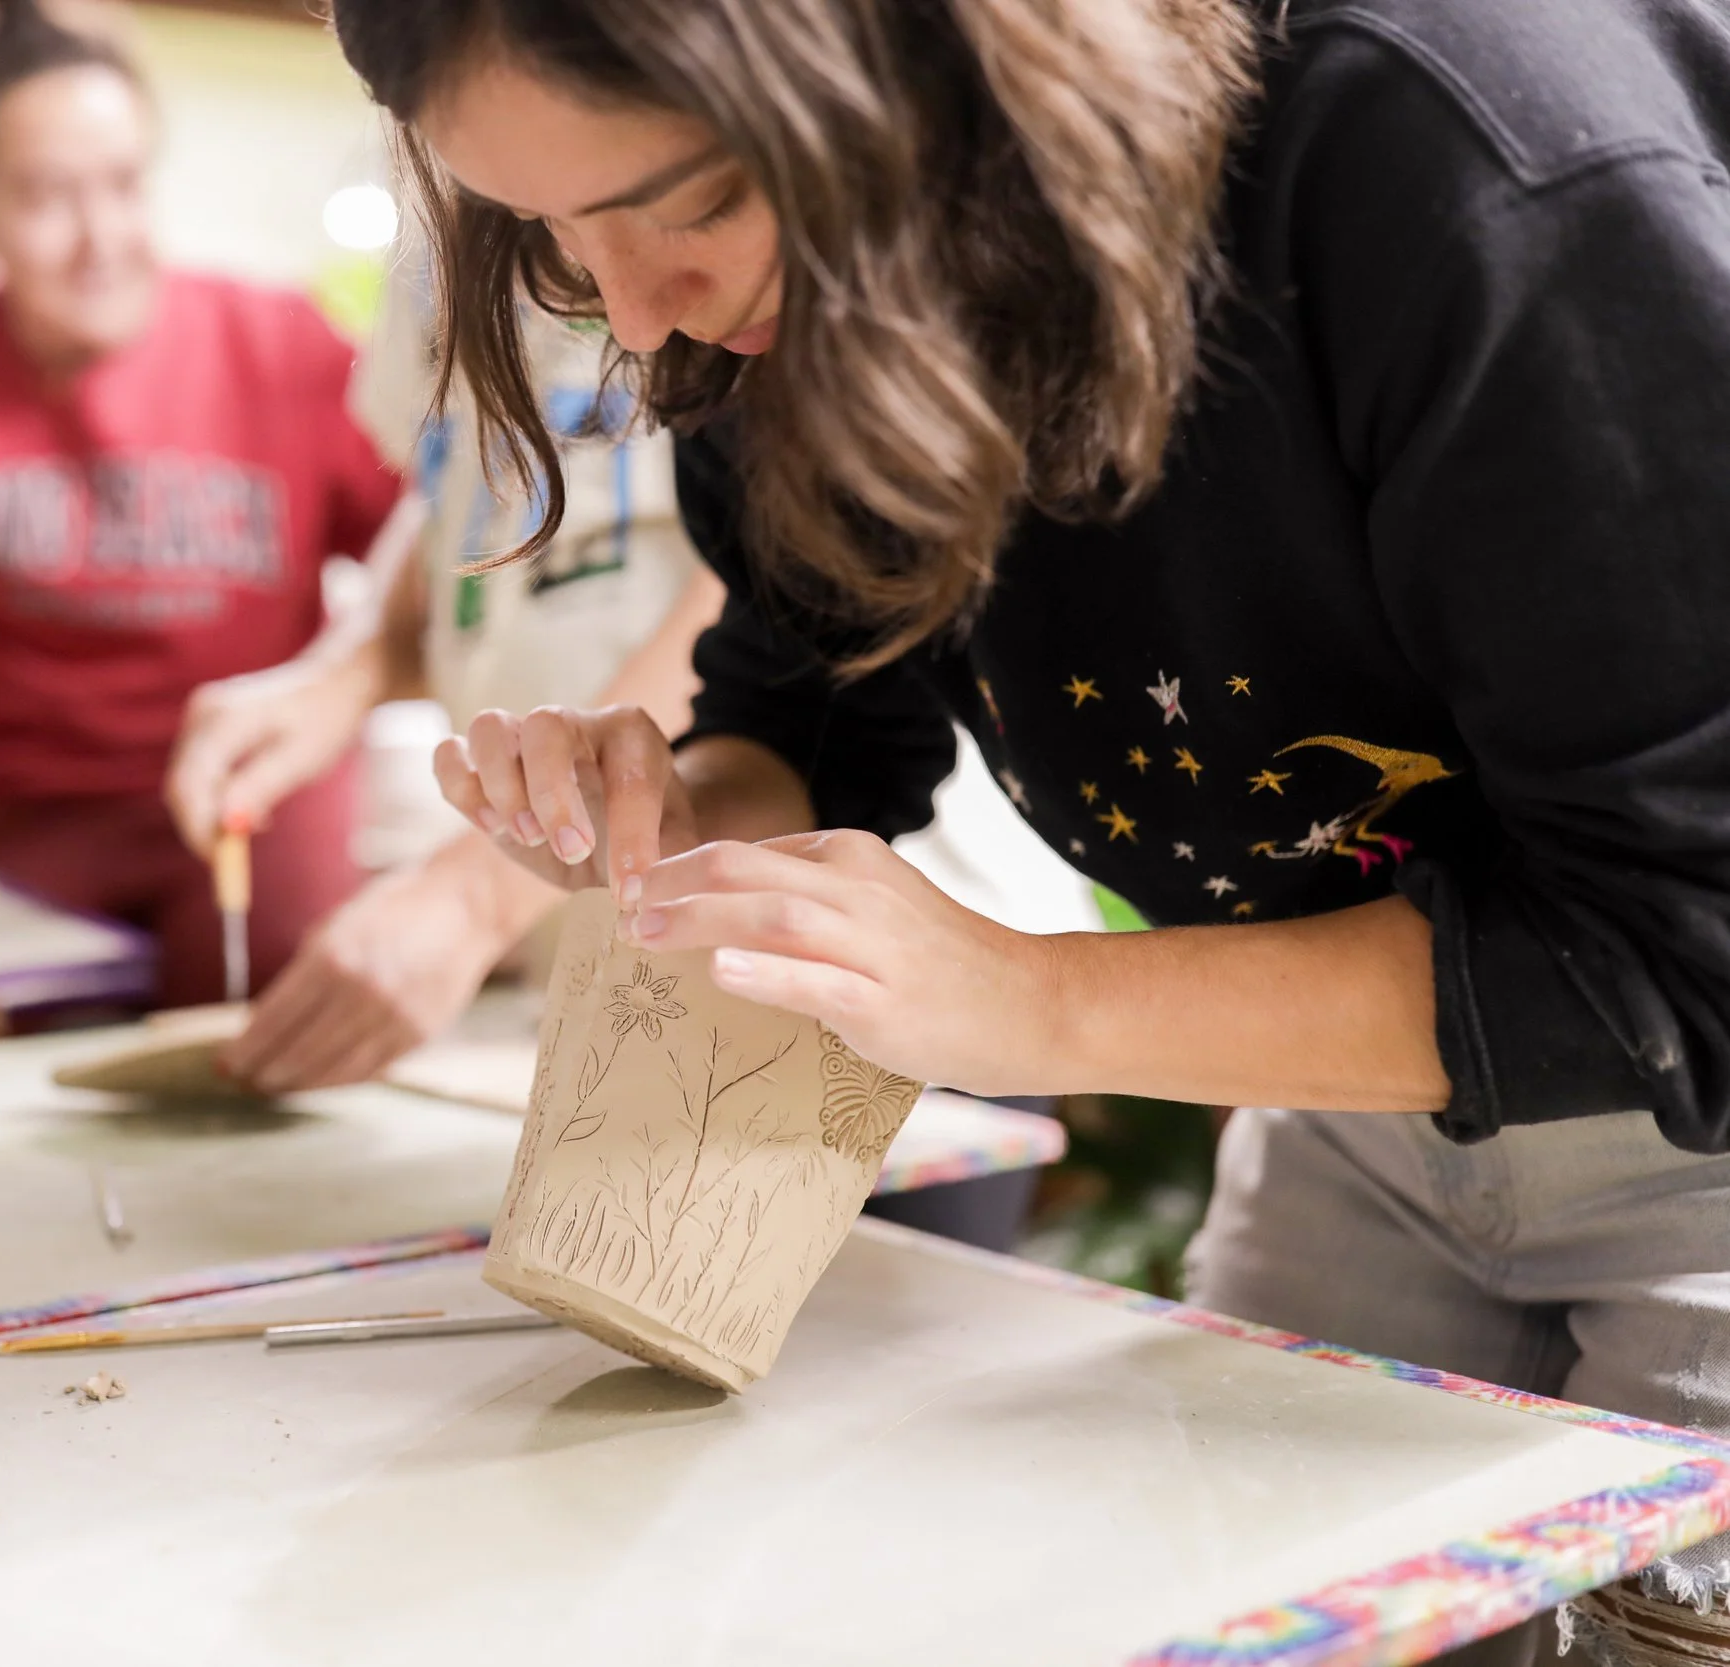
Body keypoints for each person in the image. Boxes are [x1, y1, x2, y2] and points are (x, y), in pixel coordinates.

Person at [330, 0, 1730, 1653]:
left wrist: (1032, 996)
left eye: (686, 203)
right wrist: (680, 819)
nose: (636, 309)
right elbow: (819, 708)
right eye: (554, 233)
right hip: (1345, 1098)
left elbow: (1687, 945)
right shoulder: (802, 297)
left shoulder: (1463, 158)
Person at [0, 0, 402, 1008]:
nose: (102, 236)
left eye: (127, 185)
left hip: (256, 802)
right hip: (49, 824)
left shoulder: (280, 345)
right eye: (48, 197)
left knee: (284, 1039)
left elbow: (427, 543)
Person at [164, 239, 724, 1091]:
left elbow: (774, 597)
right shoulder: (436, 223)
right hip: (601, 955)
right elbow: (455, 490)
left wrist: (476, 893)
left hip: (815, 927)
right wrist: (348, 669)